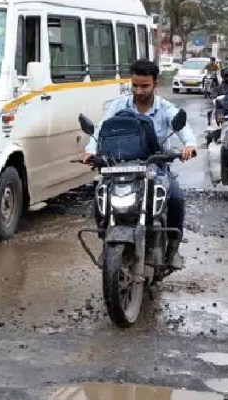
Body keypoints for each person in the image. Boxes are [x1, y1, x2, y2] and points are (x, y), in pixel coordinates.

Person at [79, 59, 197, 267]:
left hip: (154, 166)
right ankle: (106, 243)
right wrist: (90, 151)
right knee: (100, 192)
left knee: (176, 197)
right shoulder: (118, 106)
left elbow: (181, 126)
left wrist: (189, 144)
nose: (139, 90)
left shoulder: (164, 108)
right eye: (135, 85)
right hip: (119, 167)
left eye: (144, 86)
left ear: (155, 84)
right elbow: (100, 129)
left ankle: (172, 249)